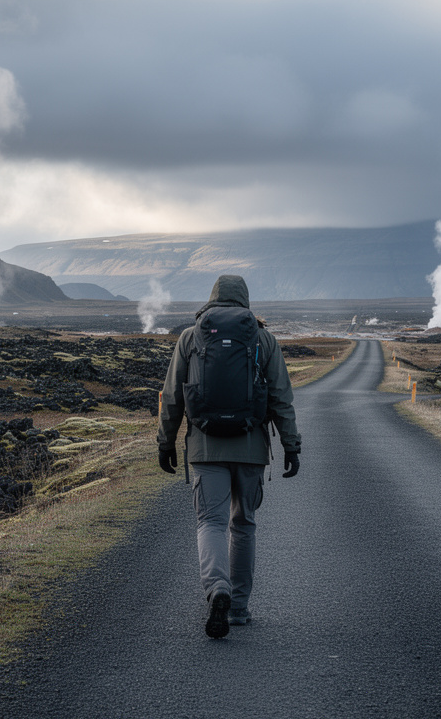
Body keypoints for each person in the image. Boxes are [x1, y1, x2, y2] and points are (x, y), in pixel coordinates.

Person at [157, 274, 302, 639]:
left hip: (206, 447)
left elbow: (173, 396)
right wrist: (291, 444)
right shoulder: (263, 339)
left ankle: (217, 587)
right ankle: (237, 608)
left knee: (211, 522)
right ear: (245, 301)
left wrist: (166, 442)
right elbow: (281, 397)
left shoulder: (190, 337)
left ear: (212, 298)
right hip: (251, 448)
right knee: (244, 524)